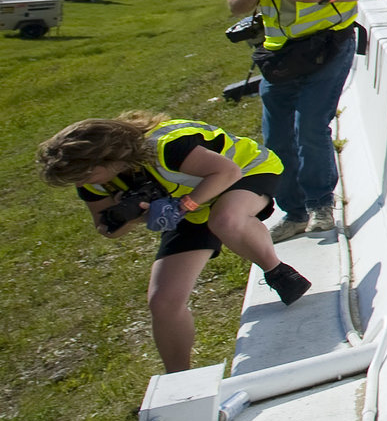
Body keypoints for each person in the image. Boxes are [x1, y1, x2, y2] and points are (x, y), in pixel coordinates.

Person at [39, 112, 310, 369]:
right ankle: (180, 381)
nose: (81, 183)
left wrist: (182, 207)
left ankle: (278, 271)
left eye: (85, 175)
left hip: (246, 172)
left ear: (106, 156)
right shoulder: (92, 182)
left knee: (225, 220)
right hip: (186, 205)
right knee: (163, 302)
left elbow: (227, 173)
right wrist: (131, 215)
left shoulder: (165, 145)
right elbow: (106, 228)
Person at [226, 0, 379, 241]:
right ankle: (293, 213)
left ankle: (320, 205)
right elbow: (236, 5)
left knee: (309, 125)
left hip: (329, 44)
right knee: (277, 136)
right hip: (280, 55)